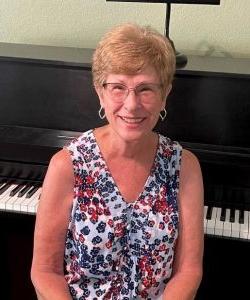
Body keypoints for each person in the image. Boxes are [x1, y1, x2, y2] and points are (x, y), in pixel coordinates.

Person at [31, 23, 204, 300]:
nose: (132, 104)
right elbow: (45, 272)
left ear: (165, 94)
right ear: (100, 92)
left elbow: (189, 271)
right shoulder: (67, 165)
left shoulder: (185, 166)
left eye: (145, 89)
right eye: (118, 87)